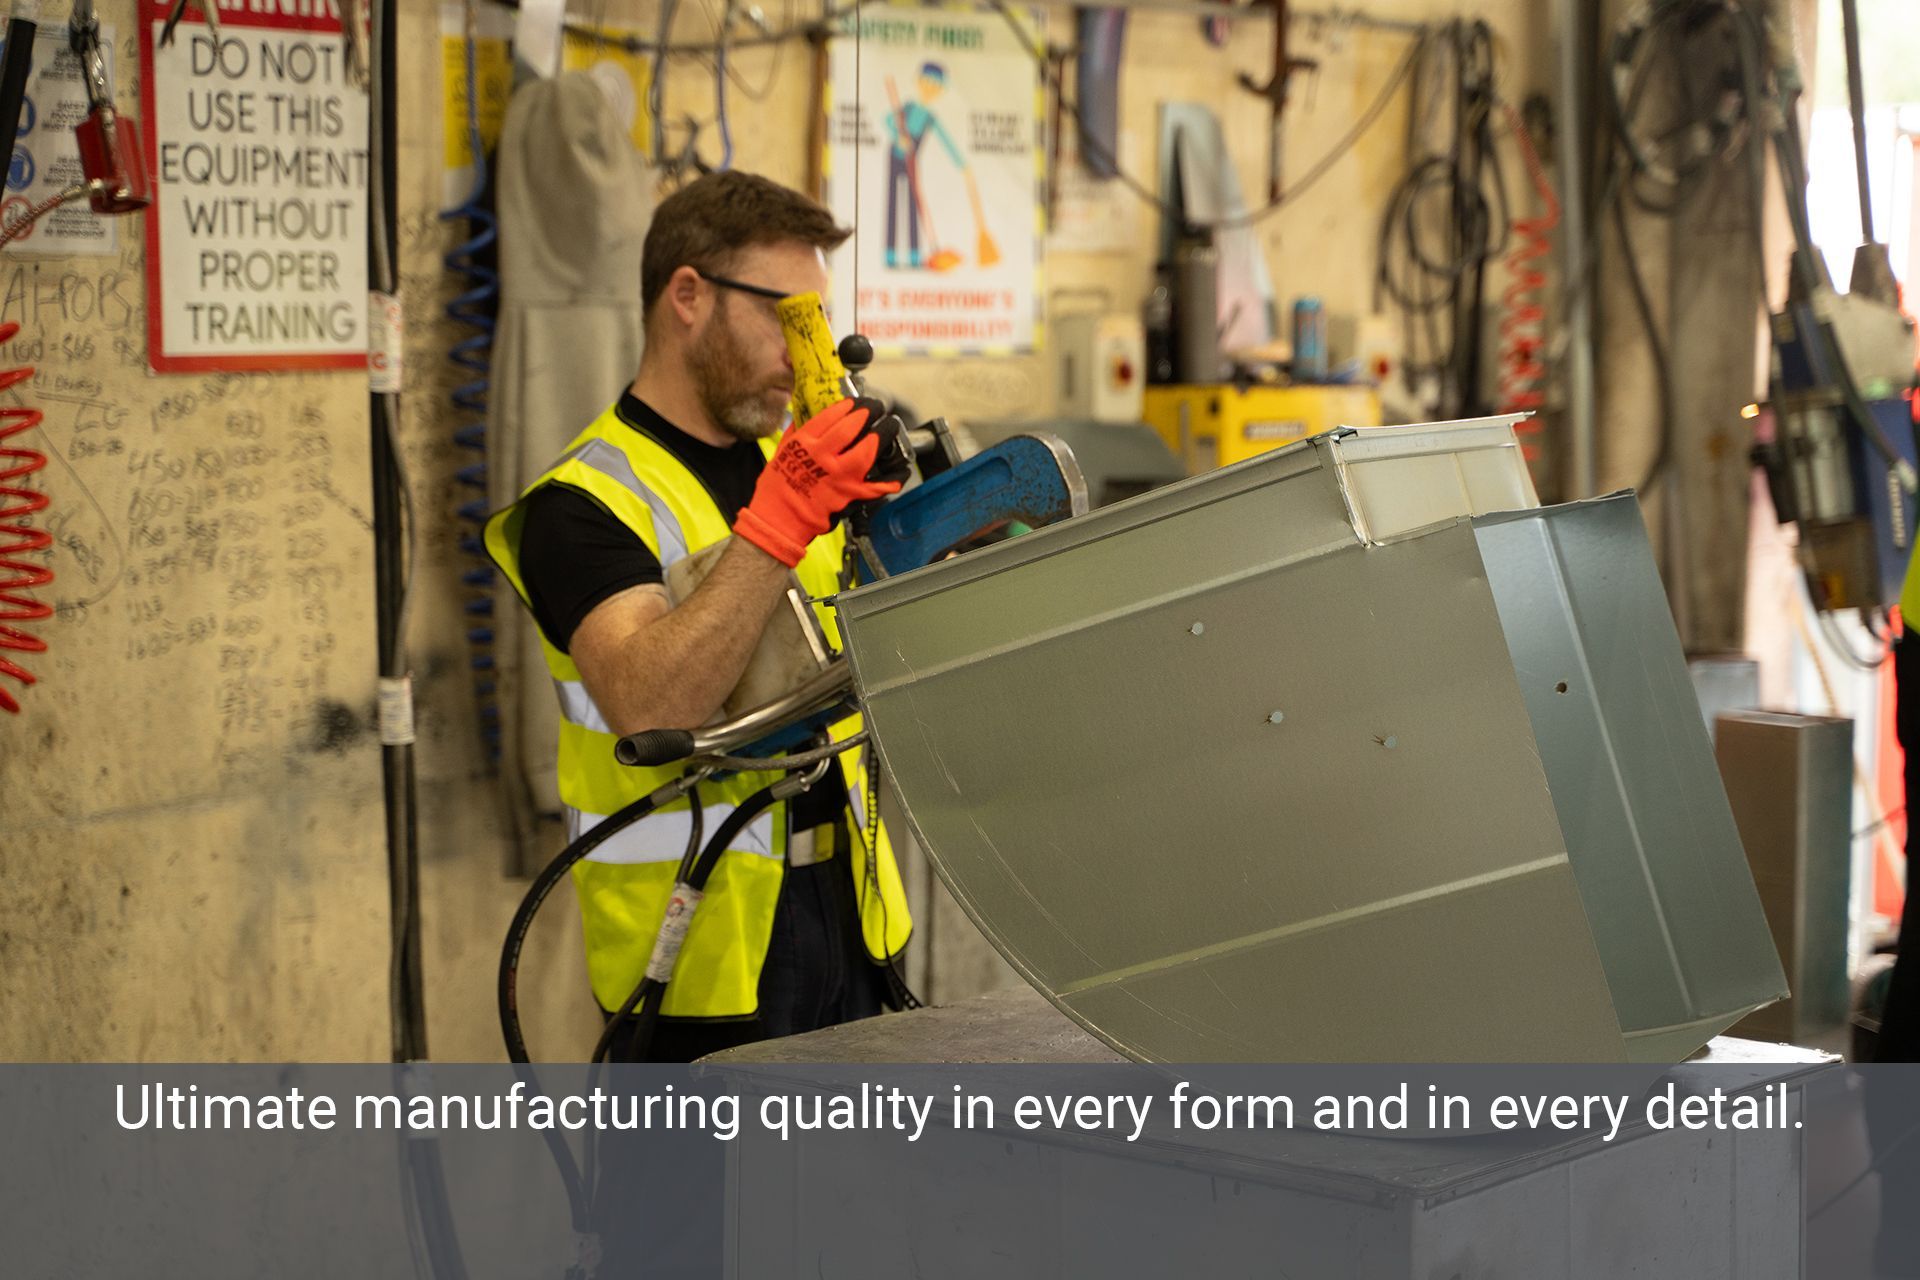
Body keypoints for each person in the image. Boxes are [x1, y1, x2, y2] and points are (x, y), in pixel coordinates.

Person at [484, 170, 915, 1066]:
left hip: (859, 920)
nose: (812, 357)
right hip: (699, 964)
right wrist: (784, 518)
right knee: (696, 1212)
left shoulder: (797, 466)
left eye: (821, 326)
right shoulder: (582, 505)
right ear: (689, 296)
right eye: (787, 319)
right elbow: (653, 699)